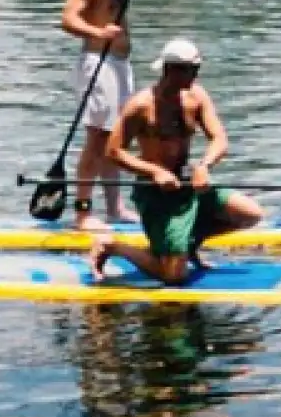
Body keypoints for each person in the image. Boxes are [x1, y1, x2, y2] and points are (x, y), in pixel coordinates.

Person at [88, 39, 263, 285]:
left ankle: (187, 245)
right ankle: (112, 246)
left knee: (250, 214)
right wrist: (155, 171)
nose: (197, 75)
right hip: (155, 193)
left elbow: (220, 139)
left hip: (188, 184)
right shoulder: (141, 105)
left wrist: (204, 166)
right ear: (171, 70)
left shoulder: (197, 96)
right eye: (192, 70)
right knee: (174, 276)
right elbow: (113, 152)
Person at [60, 0, 174, 232]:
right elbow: (68, 19)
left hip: (120, 64)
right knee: (97, 138)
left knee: (117, 137)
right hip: (97, 62)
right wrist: (99, 32)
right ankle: (83, 213)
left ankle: (114, 208)